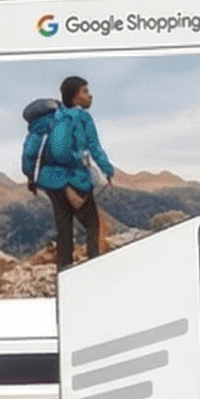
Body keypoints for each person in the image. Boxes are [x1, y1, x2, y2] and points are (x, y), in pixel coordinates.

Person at [22, 76, 118, 273]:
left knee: (64, 229)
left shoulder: (49, 120)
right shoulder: (82, 118)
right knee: (92, 225)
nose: (90, 96)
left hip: (50, 181)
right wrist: (107, 170)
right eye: (85, 91)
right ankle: (94, 270)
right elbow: (95, 148)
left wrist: (30, 176)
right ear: (74, 97)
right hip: (77, 180)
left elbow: (31, 149)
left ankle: (64, 272)